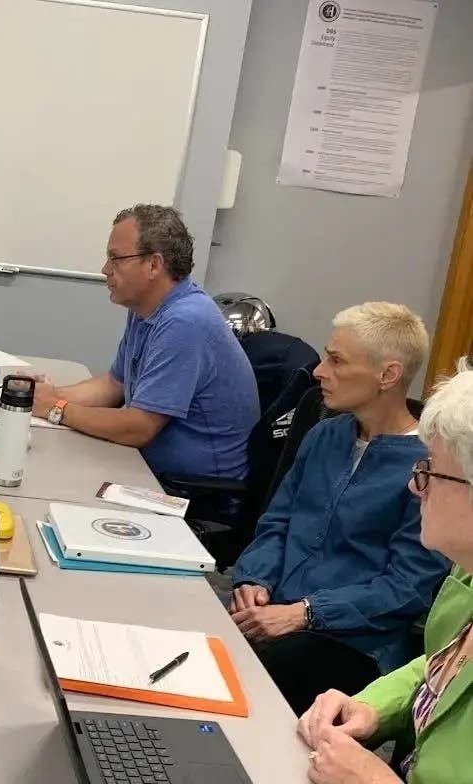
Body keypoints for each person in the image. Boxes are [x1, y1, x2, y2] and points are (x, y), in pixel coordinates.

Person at [230, 302, 450, 716]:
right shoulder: (324, 435)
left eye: (336, 361)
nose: (318, 371)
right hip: (277, 610)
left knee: (261, 678)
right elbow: (277, 522)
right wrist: (254, 579)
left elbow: (406, 587)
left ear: (388, 375)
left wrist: (304, 614)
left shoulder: (430, 468)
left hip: (355, 641)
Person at [298, 360, 473, 784]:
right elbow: (443, 665)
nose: (417, 486)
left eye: (430, 470)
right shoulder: (467, 572)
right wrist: (374, 706)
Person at [31, 204, 259, 479]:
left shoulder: (185, 320)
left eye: (116, 259)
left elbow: (139, 427)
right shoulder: (146, 307)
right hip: (149, 467)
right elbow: (115, 384)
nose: (105, 269)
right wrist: (47, 396)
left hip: (193, 489)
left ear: (153, 265)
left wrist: (56, 409)